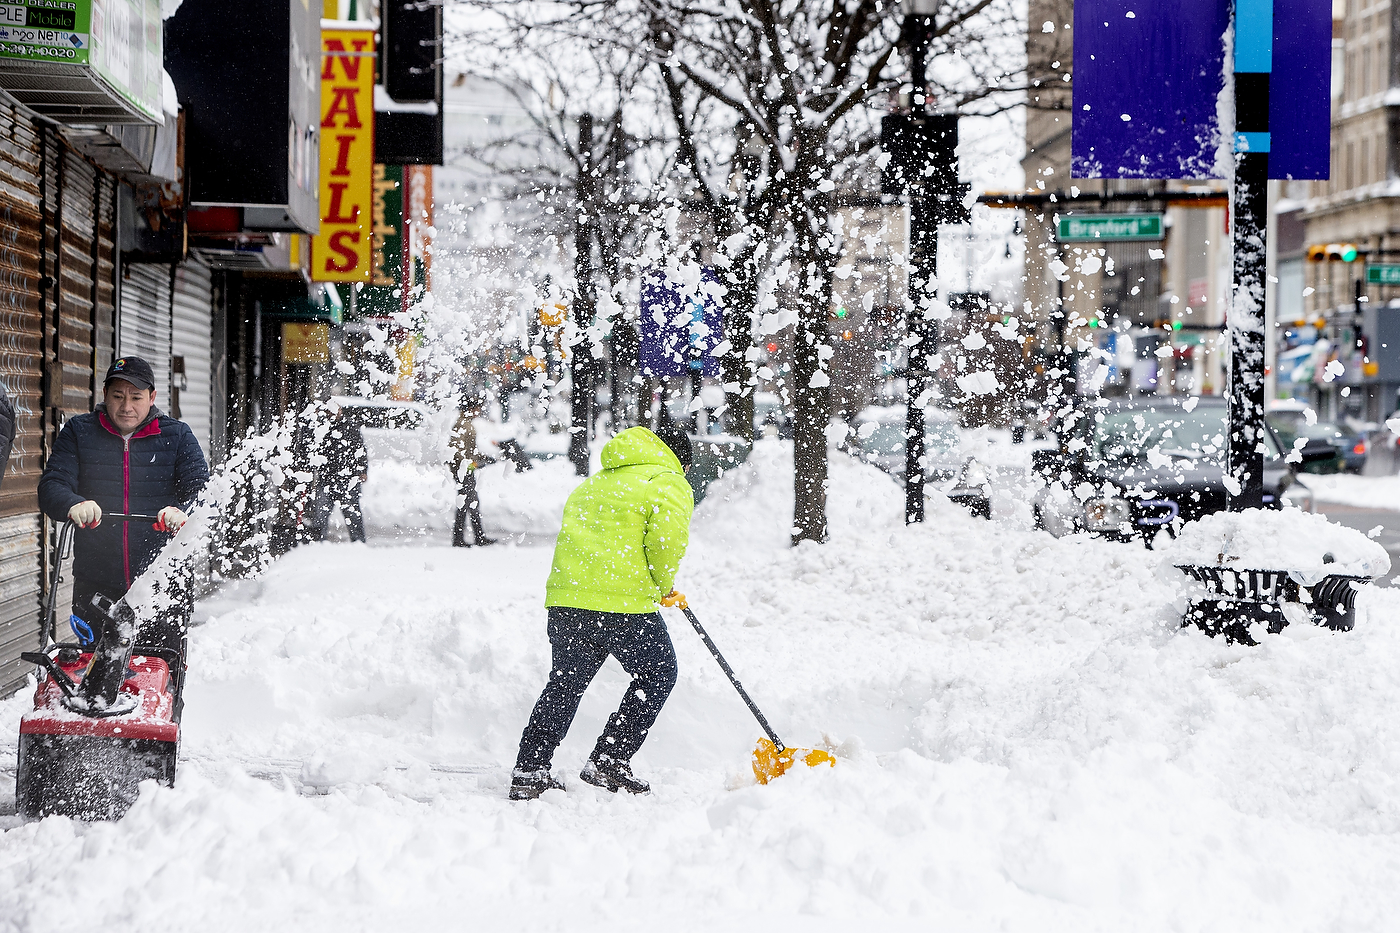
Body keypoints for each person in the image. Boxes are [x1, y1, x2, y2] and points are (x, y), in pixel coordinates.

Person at [511, 419, 695, 801]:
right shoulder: (668, 480)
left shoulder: (595, 482)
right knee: (659, 673)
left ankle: (530, 769)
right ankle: (610, 759)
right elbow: (665, 541)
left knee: (565, 684)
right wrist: (663, 587)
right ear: (680, 460)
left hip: (568, 600)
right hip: (622, 606)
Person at [37, 356, 209, 656]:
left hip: (162, 582)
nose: (126, 406)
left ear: (152, 397)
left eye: (136, 397)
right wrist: (73, 503)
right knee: (93, 677)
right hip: (97, 583)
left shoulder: (177, 436)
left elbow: (203, 492)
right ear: (105, 395)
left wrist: (181, 511)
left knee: (161, 674)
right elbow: (51, 486)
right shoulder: (79, 432)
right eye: (118, 396)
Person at [310, 402, 367, 543]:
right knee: (320, 515)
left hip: (348, 479)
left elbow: (360, 451)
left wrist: (362, 470)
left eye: (336, 410)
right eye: (330, 410)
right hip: (326, 478)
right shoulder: (321, 428)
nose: (333, 413)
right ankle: (317, 543)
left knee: (352, 514)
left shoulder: (351, 427)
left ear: (340, 410)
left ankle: (359, 543)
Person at [448, 398, 495, 547]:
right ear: (471, 408)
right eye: (477, 408)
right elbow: (456, 449)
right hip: (462, 470)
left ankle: (472, 537)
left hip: (465, 469)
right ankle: (465, 538)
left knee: (468, 503)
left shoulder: (466, 422)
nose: (479, 411)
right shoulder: (462, 424)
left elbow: (469, 450)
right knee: (468, 503)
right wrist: (469, 464)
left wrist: (482, 458)